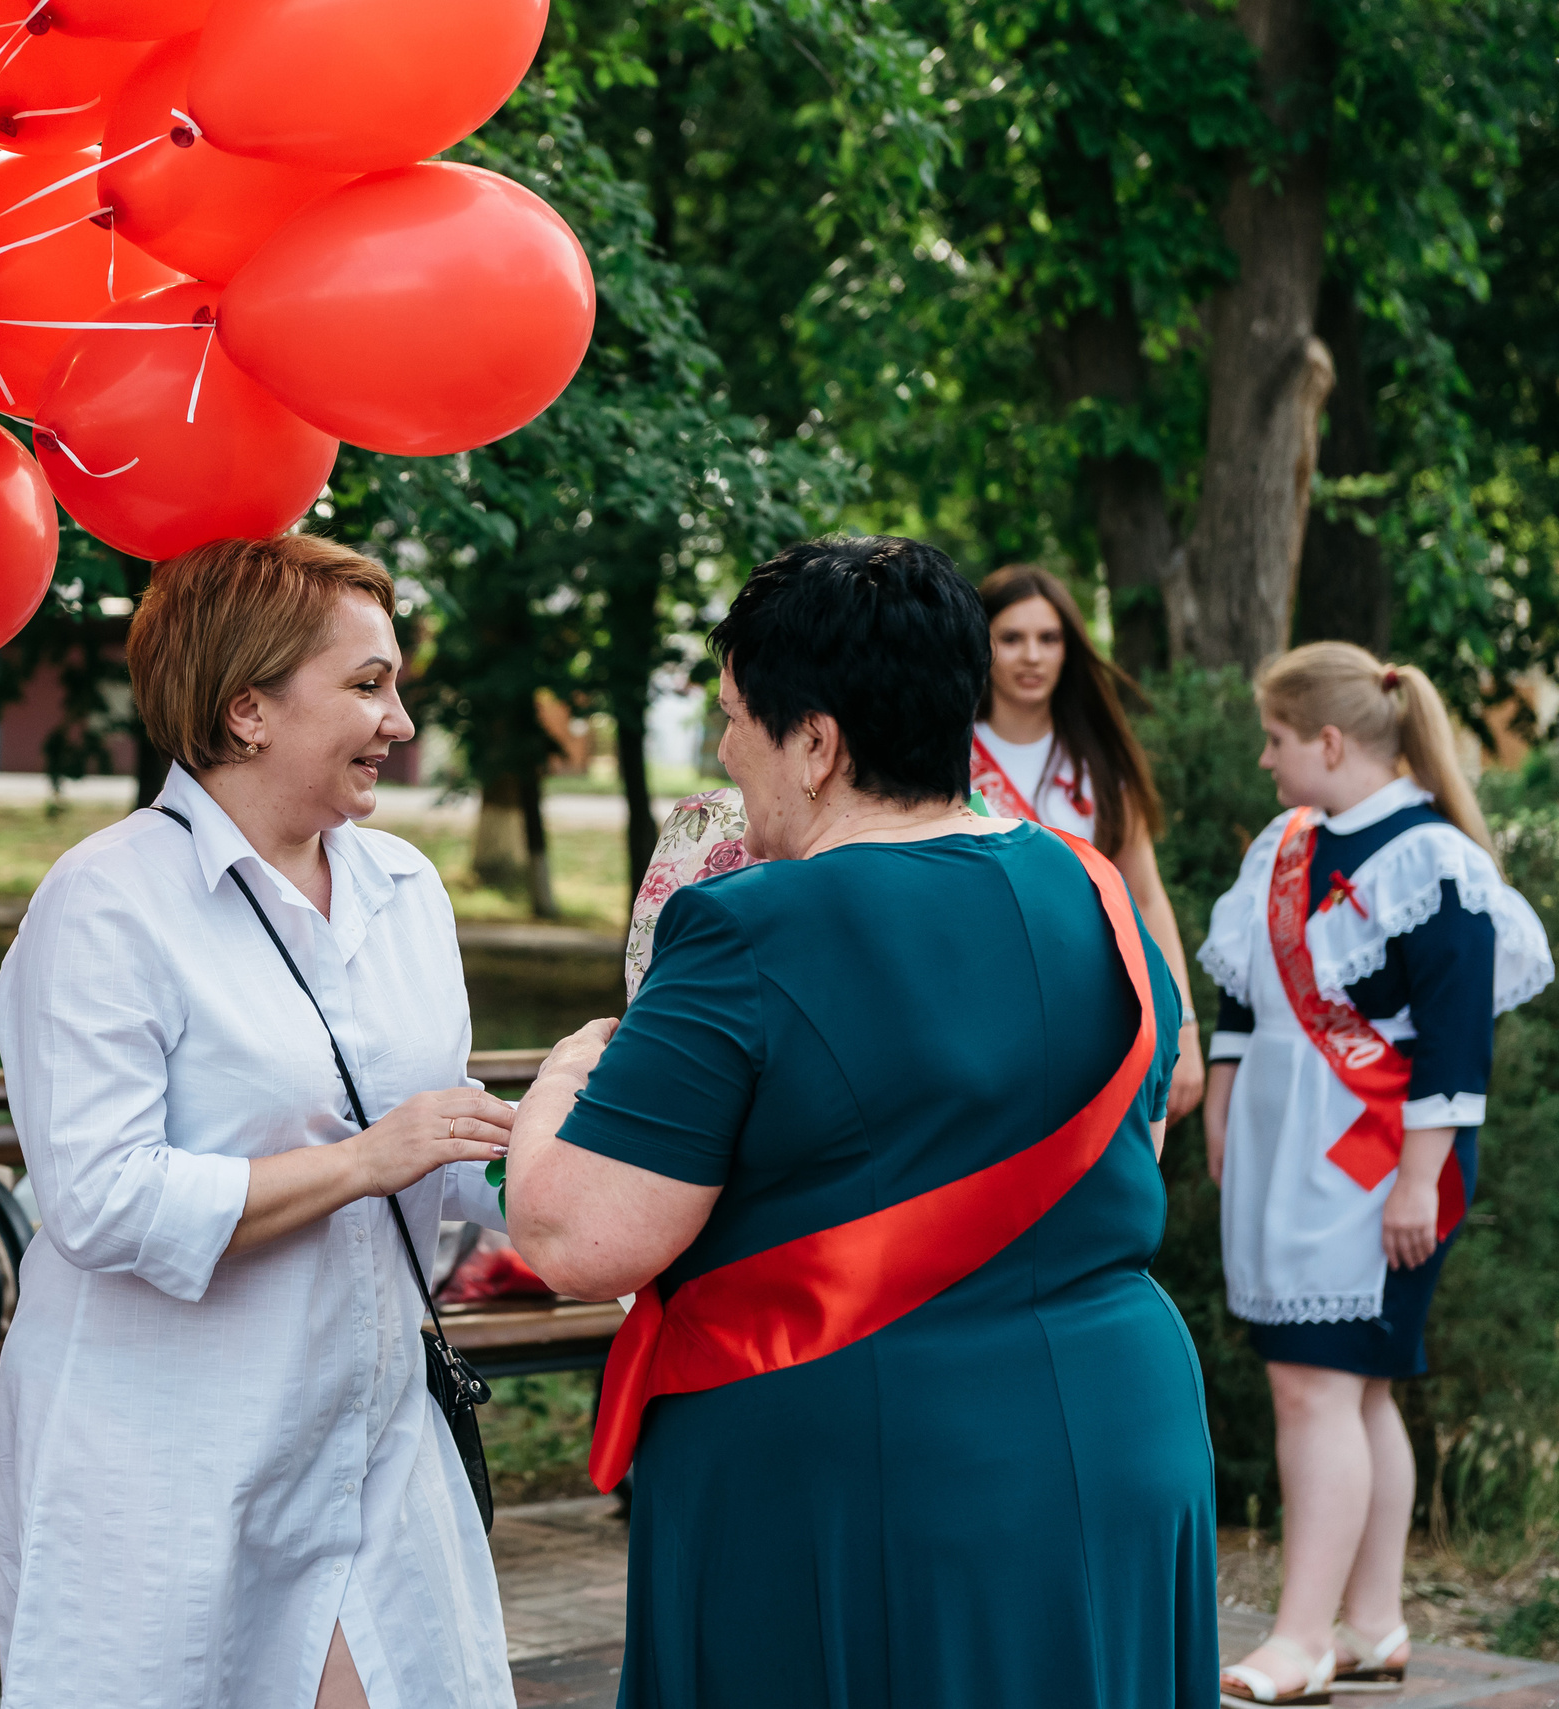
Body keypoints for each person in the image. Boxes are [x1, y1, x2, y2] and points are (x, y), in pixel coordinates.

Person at [504, 536, 1218, 1708]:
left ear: (818, 741)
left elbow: (584, 1238)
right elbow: (1126, 1152)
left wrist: (559, 1090)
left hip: (865, 1474)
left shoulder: (746, 927)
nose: (726, 748)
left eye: (736, 716)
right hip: (1119, 1431)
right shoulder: (1091, 887)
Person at [0, 535, 517, 1709]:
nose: (401, 719)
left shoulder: (406, 889)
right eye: (369, 683)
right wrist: (361, 1160)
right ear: (247, 711)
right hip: (172, 1449)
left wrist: (558, 1146)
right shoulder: (106, 899)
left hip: (375, 1430)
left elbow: (437, 1155)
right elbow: (98, 1198)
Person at [1201, 643, 1551, 1702]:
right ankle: (1372, 1621)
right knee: (1353, 1390)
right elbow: (1242, 989)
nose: (1262, 760)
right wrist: (1221, 1097)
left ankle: (1301, 1639)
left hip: (1383, 1156)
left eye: (1273, 738)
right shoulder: (1286, 841)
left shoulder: (1433, 860)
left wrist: (1416, 1182)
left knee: (1314, 1384)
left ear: (1328, 739)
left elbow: (1454, 1046)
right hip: (1288, 1147)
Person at [972, 563, 1204, 1121]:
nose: (1032, 655)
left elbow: (1144, 897)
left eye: (1049, 638)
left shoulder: (1100, 764)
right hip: (981, 1018)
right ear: (981, 647)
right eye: (1012, 638)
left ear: (1069, 648)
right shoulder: (944, 758)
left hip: (1094, 1017)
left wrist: (1187, 1026)